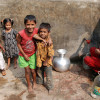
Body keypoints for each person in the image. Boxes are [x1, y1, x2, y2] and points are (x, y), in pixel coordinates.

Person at [16, 15, 52, 93]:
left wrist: (49, 39)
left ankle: (34, 82)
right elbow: (18, 44)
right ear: (25, 25)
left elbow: (47, 33)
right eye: (28, 24)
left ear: (35, 24)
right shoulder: (20, 34)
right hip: (23, 55)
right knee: (27, 71)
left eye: (32, 24)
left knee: (33, 70)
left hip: (32, 54)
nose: (30, 26)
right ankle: (29, 85)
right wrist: (24, 55)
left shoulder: (37, 30)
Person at [36, 23, 54, 93]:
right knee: (39, 72)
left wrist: (46, 62)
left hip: (47, 61)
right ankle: (40, 82)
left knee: (48, 75)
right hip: (39, 60)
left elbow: (50, 53)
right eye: (41, 31)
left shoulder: (49, 42)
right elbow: (34, 36)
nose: (42, 33)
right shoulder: (38, 37)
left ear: (48, 33)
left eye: (44, 32)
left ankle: (50, 87)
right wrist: (42, 39)